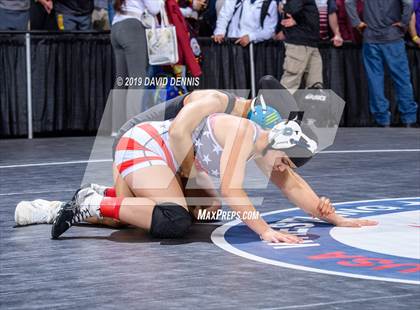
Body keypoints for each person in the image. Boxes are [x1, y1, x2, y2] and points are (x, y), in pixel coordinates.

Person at [50, 88, 376, 242]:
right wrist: (264, 231)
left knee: (204, 213)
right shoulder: (242, 129)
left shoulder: (263, 144)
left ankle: (104, 199)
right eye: (287, 159)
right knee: (173, 218)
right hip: (143, 143)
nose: (284, 168)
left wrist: (334, 216)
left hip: (163, 155)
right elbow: (231, 187)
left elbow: (292, 185)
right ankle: (95, 203)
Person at [345, 0, 418, 127]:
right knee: (402, 79)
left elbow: (348, 2)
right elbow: (408, 3)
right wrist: (404, 23)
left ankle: (382, 120)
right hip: (393, 37)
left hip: (371, 37)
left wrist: (357, 23)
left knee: (375, 80)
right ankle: (409, 119)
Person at [212, 0, 278, 47]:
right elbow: (224, 15)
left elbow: (269, 31)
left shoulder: (271, 3)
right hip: (232, 44)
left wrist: (251, 37)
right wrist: (219, 32)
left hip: (256, 48)